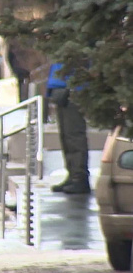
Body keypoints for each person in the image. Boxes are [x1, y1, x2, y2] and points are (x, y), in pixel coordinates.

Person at [47, 63, 90, 194]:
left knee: (74, 135)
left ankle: (79, 177)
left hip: (72, 90)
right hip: (61, 88)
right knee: (66, 136)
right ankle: (72, 174)